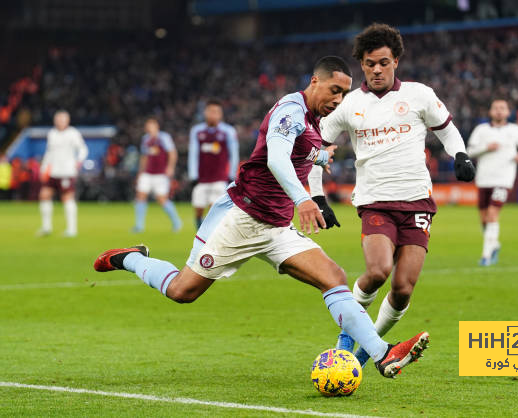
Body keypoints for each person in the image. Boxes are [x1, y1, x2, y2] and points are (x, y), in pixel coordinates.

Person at [94, 56, 429, 379]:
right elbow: (277, 158)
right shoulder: (290, 111)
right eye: (334, 90)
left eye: (343, 93)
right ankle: (131, 259)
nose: (338, 99)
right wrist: (304, 200)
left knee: (334, 277)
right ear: (315, 81)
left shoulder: (311, 121)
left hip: (275, 227)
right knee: (183, 290)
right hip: (241, 219)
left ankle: (382, 353)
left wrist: (318, 156)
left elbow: (297, 149)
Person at [316, 23, 475, 366]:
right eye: (370, 63)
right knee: (377, 271)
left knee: (403, 288)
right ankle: (346, 345)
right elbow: (316, 146)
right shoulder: (348, 104)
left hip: (417, 200)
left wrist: (460, 154)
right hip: (375, 201)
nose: (377, 69)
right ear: (361, 64)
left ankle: (360, 355)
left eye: (384, 62)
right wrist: (317, 195)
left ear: (396, 62)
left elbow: (447, 129)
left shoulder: (418, 94)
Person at [467, 99, 518, 266]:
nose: (499, 111)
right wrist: (486, 148)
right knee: (483, 218)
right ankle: (494, 244)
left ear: (508, 112)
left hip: (503, 179)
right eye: (495, 108)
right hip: (483, 179)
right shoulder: (481, 130)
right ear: (490, 111)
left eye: (502, 108)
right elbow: (469, 151)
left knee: (492, 214)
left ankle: (486, 256)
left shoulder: (515, 130)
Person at [188, 99, 239, 229]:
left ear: (220, 114)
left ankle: (207, 236)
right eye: (211, 111)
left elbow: (234, 154)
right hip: (202, 178)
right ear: (205, 113)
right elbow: (193, 153)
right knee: (198, 210)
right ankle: (201, 232)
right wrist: (193, 175)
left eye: (216, 112)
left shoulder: (228, 131)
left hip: (220, 178)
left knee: (214, 209)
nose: (213, 114)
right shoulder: (197, 131)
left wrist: (231, 174)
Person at [38, 110, 88, 237]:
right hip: (53, 171)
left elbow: (83, 148)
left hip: (67, 171)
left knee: (67, 197)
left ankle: (72, 229)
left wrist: (79, 161)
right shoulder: (52, 133)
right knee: (44, 195)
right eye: (58, 119)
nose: (60, 122)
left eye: (62, 119)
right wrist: (44, 168)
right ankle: (46, 227)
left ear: (67, 121)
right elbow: (49, 152)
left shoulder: (73, 133)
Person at [132, 118, 182, 233]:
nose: (149, 128)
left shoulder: (164, 138)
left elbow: (172, 153)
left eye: (151, 125)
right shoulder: (145, 139)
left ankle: (176, 222)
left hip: (160, 174)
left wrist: (170, 167)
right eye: (148, 126)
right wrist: (140, 172)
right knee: (140, 196)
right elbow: (144, 157)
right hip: (147, 173)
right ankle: (139, 226)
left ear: (156, 126)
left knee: (162, 199)